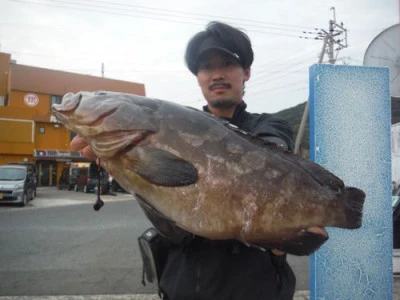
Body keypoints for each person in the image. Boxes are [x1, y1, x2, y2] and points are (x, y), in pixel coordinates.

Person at [71, 21, 296, 300]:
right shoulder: (172, 127)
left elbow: (274, 151)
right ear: (198, 76)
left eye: (227, 63)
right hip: (181, 287)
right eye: (206, 67)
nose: (216, 74)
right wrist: (125, 166)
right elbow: (172, 225)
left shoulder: (268, 126)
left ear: (246, 72)